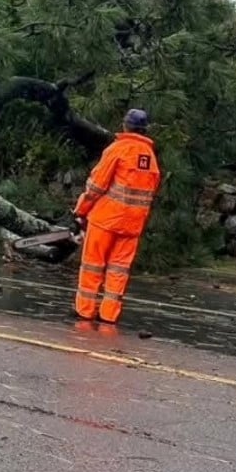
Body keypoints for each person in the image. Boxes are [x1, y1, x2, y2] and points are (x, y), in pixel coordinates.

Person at [72, 108, 161, 324]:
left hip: (106, 219)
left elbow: (96, 186)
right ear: (145, 129)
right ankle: (109, 314)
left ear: (125, 125)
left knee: (93, 265)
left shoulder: (118, 149)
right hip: (133, 225)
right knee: (119, 270)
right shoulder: (150, 158)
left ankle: (85, 310)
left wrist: (80, 211)